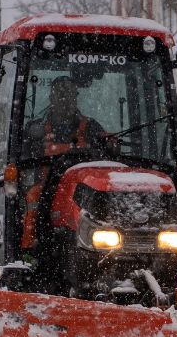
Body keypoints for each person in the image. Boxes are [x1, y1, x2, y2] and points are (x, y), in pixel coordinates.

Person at [20, 76, 115, 250]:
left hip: (83, 188)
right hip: (47, 186)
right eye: (60, 94)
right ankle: (29, 251)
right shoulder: (36, 129)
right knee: (33, 198)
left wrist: (110, 145)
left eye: (69, 94)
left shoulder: (91, 127)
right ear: (51, 97)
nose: (65, 99)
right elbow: (24, 161)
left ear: (76, 97)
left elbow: (107, 155)